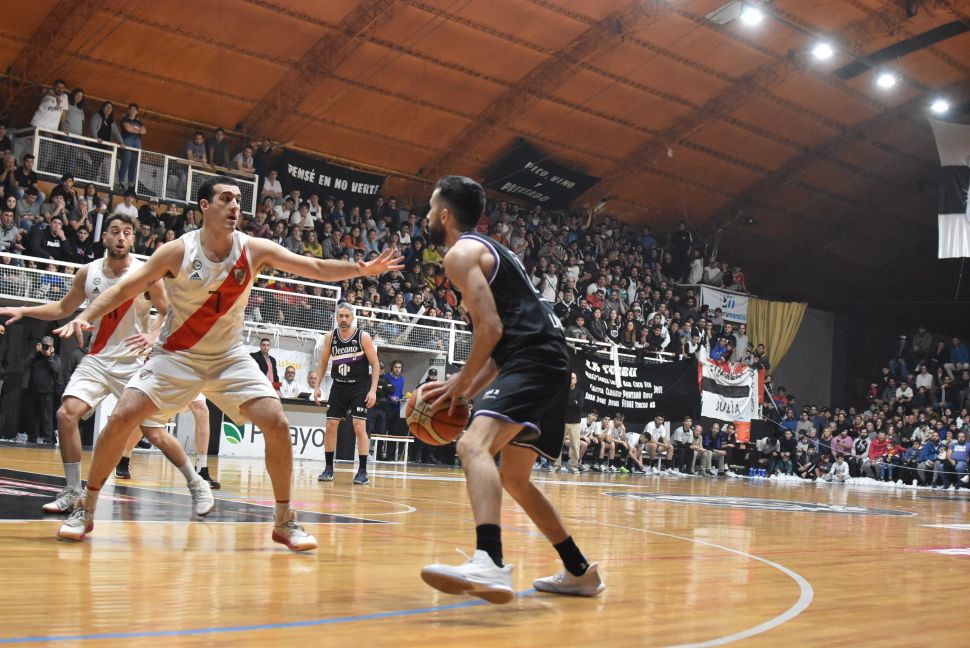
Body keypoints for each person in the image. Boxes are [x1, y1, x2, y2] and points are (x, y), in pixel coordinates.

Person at [52, 175, 402, 547]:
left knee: (276, 422)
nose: (235, 205)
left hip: (228, 357)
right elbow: (125, 288)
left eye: (237, 199)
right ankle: (87, 507)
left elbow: (314, 268)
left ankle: (284, 521)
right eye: (225, 199)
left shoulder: (252, 249)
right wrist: (85, 315)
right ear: (204, 206)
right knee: (122, 416)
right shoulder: (177, 251)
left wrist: (360, 269)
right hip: (177, 355)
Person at [419, 176, 603, 603]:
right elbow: (498, 353)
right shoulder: (495, 251)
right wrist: (465, 391)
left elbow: (491, 330)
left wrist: (460, 381)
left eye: (430, 209)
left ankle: (490, 560)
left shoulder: (460, 254)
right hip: (547, 360)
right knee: (515, 478)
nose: (426, 217)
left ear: (445, 214)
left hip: (534, 359)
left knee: (472, 446)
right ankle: (579, 571)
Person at [0, 214, 215, 514]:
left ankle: (196, 483)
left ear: (132, 239)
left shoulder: (145, 273)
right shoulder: (88, 273)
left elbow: (168, 312)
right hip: (98, 358)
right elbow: (63, 307)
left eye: (127, 232)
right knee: (66, 414)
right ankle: (72, 491)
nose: (121, 237)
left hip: (134, 363)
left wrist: (153, 335)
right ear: (105, 237)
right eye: (115, 231)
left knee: (153, 432)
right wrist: (24, 310)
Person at [313, 302, 380, 485]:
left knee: (359, 426)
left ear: (353, 318)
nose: (343, 319)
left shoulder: (363, 337)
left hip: (359, 387)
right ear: (336, 318)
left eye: (346, 316)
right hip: (339, 387)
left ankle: (363, 471)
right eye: (340, 316)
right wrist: (317, 386)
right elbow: (323, 363)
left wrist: (373, 390)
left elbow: (375, 364)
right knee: (330, 425)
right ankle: (328, 469)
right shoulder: (331, 337)